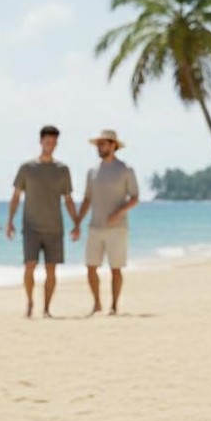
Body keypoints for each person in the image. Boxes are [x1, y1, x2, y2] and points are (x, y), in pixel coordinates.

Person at [6, 125, 79, 318]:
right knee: (29, 265)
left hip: (54, 228)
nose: (50, 145)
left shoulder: (62, 170)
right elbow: (16, 196)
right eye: (47, 142)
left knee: (51, 270)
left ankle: (46, 308)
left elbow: (68, 199)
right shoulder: (27, 168)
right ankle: (30, 302)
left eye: (54, 142)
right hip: (31, 227)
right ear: (41, 142)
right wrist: (10, 221)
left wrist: (76, 222)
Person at [74, 129, 139, 315]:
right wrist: (77, 222)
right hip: (95, 227)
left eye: (102, 144)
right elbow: (87, 199)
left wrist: (118, 213)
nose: (99, 147)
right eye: (98, 144)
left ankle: (114, 306)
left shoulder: (125, 170)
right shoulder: (92, 172)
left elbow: (135, 198)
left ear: (113, 145)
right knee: (90, 268)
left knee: (115, 269)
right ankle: (97, 304)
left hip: (117, 228)